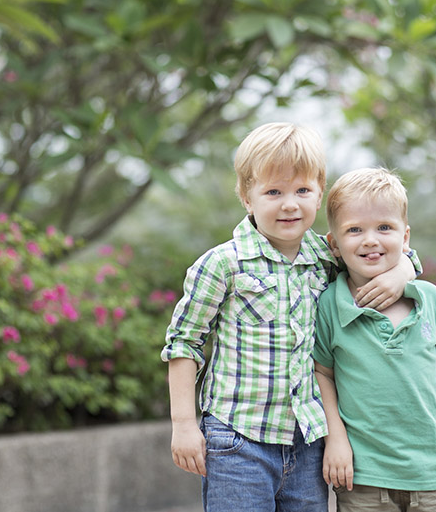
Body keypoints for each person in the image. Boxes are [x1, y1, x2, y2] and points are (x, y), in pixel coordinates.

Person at [161, 123, 422, 512]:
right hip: (237, 440)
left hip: (308, 442)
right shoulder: (223, 264)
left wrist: (403, 271)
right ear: (247, 197)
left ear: (319, 193)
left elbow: (393, 255)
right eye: (273, 192)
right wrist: (184, 423)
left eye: (302, 190)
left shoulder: (325, 258)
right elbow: (184, 343)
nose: (289, 204)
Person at [313, 167, 436, 512]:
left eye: (384, 227)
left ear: (405, 238)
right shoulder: (331, 304)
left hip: (434, 472)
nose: (370, 240)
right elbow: (322, 374)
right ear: (334, 244)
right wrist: (335, 438)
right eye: (354, 230)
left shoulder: (430, 299)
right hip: (363, 475)